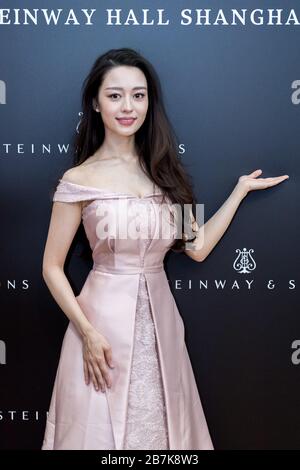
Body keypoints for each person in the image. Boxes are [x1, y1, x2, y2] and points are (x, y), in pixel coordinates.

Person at [41, 48, 289, 450]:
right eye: (115, 95)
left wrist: (239, 192)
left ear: (149, 102)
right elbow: (51, 267)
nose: (128, 107)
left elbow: (198, 248)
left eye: (138, 95)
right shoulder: (78, 178)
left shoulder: (165, 171)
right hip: (99, 328)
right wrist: (87, 332)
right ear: (95, 101)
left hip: (162, 328)